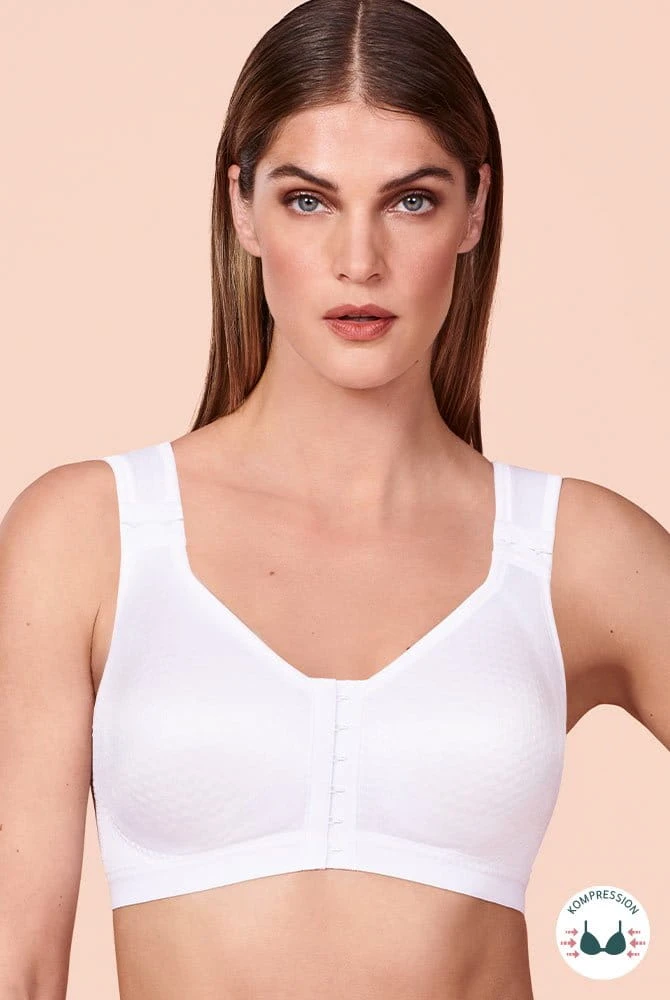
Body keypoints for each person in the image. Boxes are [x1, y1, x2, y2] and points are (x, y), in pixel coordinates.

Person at [1, 1, 668, 998]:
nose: (360, 260)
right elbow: (18, 963)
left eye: (412, 200)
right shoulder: (88, 536)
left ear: (475, 211)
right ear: (242, 206)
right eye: (309, 200)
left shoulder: (572, 550)